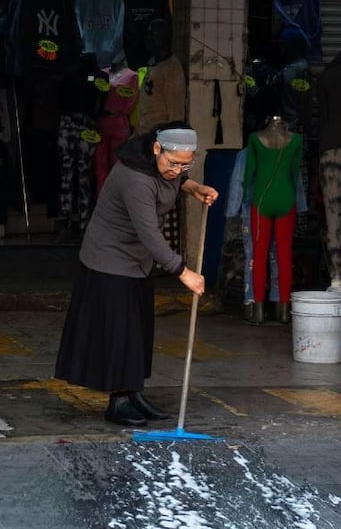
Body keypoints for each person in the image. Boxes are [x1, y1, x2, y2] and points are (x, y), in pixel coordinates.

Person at [55, 123, 219, 427]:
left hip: (136, 261)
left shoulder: (160, 165)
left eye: (187, 163)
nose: (178, 169)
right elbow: (150, 235)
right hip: (110, 259)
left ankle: (133, 392)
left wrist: (193, 186)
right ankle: (118, 402)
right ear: (157, 148)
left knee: (139, 329)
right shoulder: (135, 178)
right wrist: (183, 272)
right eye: (174, 163)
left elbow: (173, 179)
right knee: (121, 332)